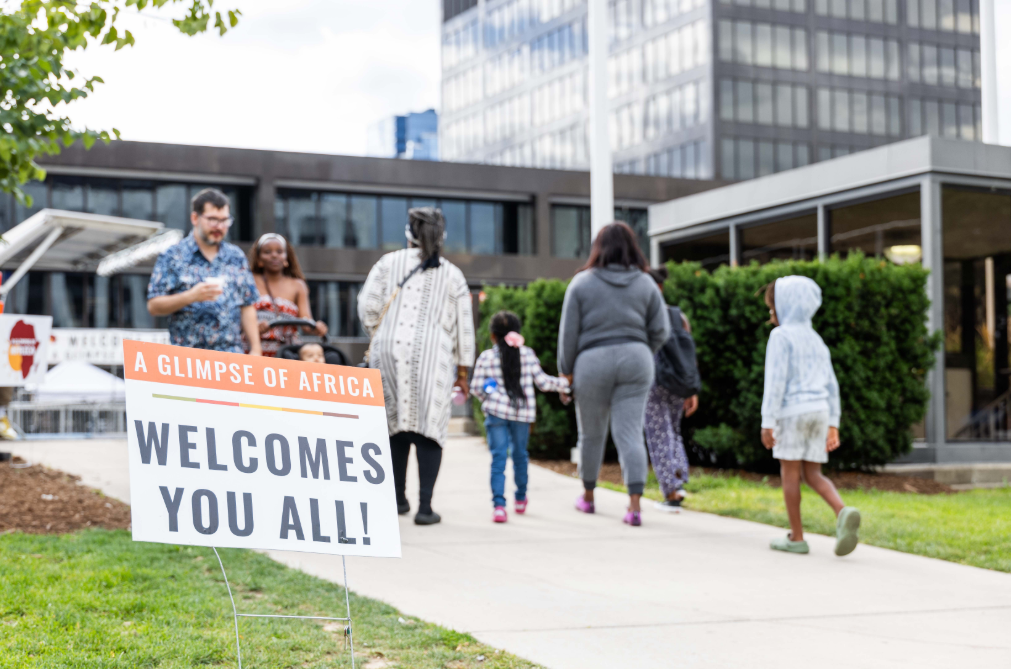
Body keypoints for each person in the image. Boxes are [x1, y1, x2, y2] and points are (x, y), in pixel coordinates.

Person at [358, 207, 475, 526]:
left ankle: (397, 499)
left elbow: (368, 307)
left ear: (408, 232)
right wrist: (463, 372)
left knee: (393, 428)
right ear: (443, 235)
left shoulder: (388, 262)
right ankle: (425, 507)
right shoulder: (452, 274)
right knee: (430, 429)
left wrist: (382, 334)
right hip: (433, 355)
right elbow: (464, 328)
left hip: (388, 351)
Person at [558, 222, 670, 527]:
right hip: (636, 359)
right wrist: (642, 349)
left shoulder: (581, 283)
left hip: (591, 362)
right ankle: (634, 506)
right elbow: (661, 329)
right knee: (630, 433)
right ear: (632, 246)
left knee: (591, 434)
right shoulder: (646, 283)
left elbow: (568, 336)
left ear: (598, 247)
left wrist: (565, 374)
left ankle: (589, 497)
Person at [760, 276, 860, 556]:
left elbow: (775, 382)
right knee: (814, 473)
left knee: (790, 474)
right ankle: (843, 511)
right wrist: (833, 424)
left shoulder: (780, 336)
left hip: (792, 414)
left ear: (784, 307)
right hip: (820, 412)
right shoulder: (817, 340)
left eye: (772, 309)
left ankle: (797, 537)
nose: (771, 316)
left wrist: (767, 422)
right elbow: (831, 384)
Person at [470, 311, 570, 523]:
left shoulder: (486, 357)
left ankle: (499, 506)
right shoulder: (528, 354)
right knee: (520, 455)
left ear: (493, 336)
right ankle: (521, 497)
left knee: (498, 458)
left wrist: (491, 393)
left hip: (496, 413)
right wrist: (566, 384)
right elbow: (543, 383)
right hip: (522, 414)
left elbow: (477, 388)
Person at [147, 188, 261, 355]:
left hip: (230, 357)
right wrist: (191, 296)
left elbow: (247, 304)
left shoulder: (236, 256)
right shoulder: (172, 255)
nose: (219, 227)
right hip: (188, 358)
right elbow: (154, 306)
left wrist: (256, 349)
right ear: (195, 218)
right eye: (213, 220)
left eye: (225, 220)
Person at [644, 266, 699, 512]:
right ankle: (679, 479)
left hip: (654, 382)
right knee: (673, 432)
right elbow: (689, 357)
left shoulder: (644, 315)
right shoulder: (679, 317)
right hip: (677, 383)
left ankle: (672, 491)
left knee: (659, 434)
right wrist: (691, 390)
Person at [245, 233, 327, 356]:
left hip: (287, 353)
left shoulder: (298, 285)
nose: (274, 255)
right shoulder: (248, 280)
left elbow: (306, 322)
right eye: (267, 252)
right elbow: (239, 315)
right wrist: (253, 326)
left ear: (286, 258)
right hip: (253, 350)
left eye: (279, 252)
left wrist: (317, 327)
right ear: (259, 259)